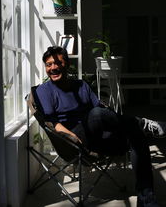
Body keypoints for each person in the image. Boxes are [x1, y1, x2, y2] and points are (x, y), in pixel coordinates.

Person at [35, 46, 166, 207]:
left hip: (98, 134)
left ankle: (146, 199)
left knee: (136, 135)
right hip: (75, 139)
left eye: (57, 63)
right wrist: (72, 138)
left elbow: (102, 109)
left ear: (67, 65)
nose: (53, 68)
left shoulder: (81, 86)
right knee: (98, 114)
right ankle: (141, 123)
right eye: (48, 65)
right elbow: (52, 123)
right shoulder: (44, 91)